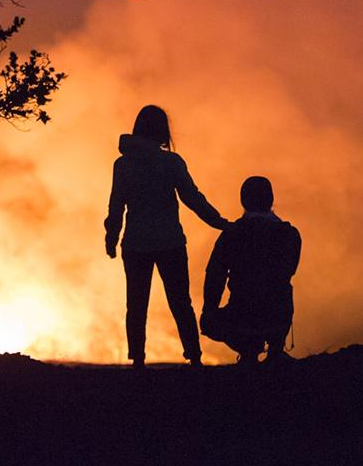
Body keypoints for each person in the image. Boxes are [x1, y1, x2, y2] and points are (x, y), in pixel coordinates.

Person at [104, 104, 232, 367]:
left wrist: (111, 238)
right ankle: (194, 357)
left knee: (136, 304)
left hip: (136, 243)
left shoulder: (123, 165)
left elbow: (116, 204)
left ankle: (138, 360)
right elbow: (192, 198)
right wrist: (219, 222)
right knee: (180, 302)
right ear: (163, 131)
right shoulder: (171, 162)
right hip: (170, 242)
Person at [200, 175, 302, 365]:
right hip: (276, 311)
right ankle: (276, 348)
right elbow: (289, 271)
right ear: (271, 199)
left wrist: (209, 310)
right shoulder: (289, 234)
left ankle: (248, 350)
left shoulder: (231, 235)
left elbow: (215, 275)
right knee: (283, 291)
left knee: (210, 323)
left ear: (243, 200)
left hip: (241, 311)